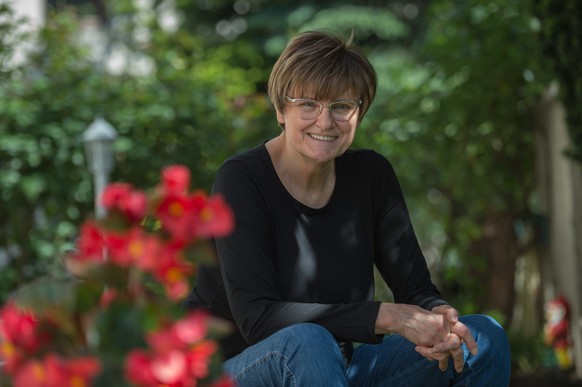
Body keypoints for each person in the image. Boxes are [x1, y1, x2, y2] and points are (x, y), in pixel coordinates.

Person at [185, 29, 511, 386]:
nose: (325, 122)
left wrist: (440, 317)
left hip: (331, 370)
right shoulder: (241, 179)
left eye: (341, 106)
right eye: (307, 103)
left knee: (482, 337)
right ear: (281, 109)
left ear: (359, 112)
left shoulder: (371, 175)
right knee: (307, 341)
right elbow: (257, 318)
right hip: (235, 371)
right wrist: (389, 317)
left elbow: (415, 288)